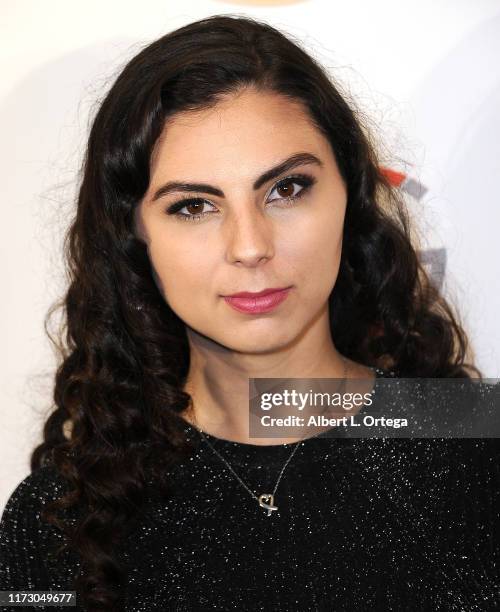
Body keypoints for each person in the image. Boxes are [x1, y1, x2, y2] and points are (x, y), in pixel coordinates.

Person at [0, 13, 498, 612]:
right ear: (133, 237)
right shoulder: (55, 522)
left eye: (286, 189)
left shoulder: (480, 451)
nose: (250, 246)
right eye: (192, 206)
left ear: (351, 193)